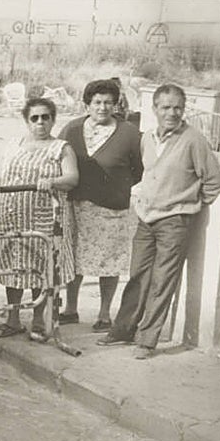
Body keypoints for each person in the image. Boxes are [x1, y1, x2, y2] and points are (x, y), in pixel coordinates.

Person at [99, 84, 220, 359]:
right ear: (154, 109)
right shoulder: (147, 138)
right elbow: (148, 175)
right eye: (166, 107)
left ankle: (146, 341)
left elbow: (215, 182)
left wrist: (187, 204)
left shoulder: (194, 140)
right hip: (146, 218)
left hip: (175, 222)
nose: (172, 113)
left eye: (178, 107)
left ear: (184, 109)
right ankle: (123, 330)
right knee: (137, 276)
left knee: (162, 281)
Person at [0, 97, 78, 343]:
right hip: (11, 215)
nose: (40, 122)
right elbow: (1, 177)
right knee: (11, 268)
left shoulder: (61, 148)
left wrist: (52, 182)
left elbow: (72, 178)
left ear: (53, 119)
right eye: (34, 118)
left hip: (43, 217)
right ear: (26, 120)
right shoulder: (14, 144)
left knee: (40, 268)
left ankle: (38, 319)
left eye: (45, 117)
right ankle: (13, 320)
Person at [58, 79, 144, 331]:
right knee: (74, 258)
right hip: (76, 206)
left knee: (110, 261)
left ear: (115, 104)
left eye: (108, 102)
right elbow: (58, 158)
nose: (103, 107)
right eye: (97, 102)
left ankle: (104, 313)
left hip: (112, 209)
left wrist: (116, 186)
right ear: (87, 105)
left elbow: (139, 169)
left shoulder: (129, 133)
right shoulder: (72, 129)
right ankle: (70, 309)